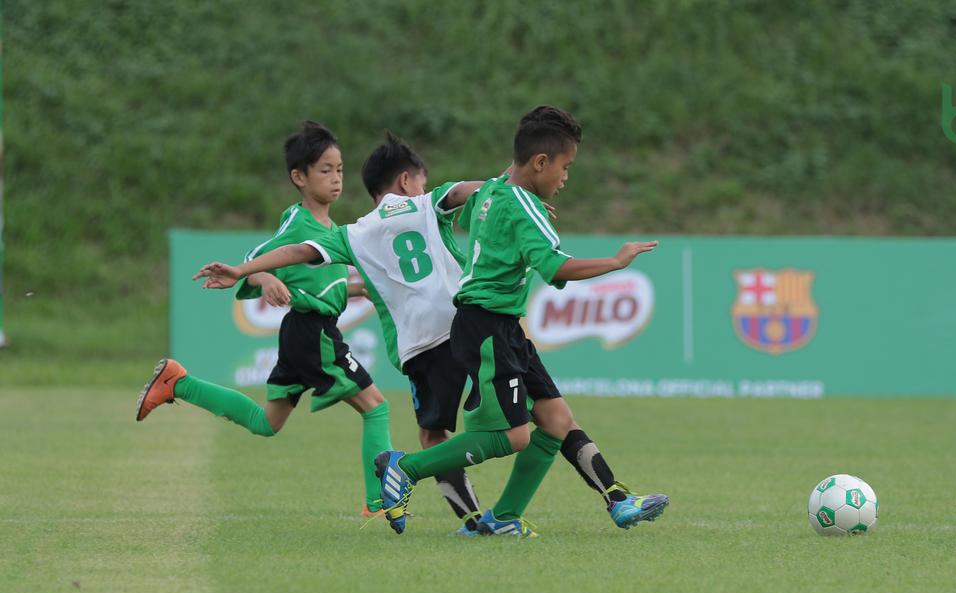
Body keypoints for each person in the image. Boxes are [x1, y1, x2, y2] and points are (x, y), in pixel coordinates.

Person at [196, 131, 668, 535]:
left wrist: (243, 270)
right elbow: (472, 189)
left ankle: (496, 515)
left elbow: (297, 252)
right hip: (469, 323)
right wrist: (515, 192)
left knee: (449, 430)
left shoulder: (354, 233)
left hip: (423, 343)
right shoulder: (427, 204)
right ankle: (496, 511)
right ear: (407, 181)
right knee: (519, 431)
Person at [375, 105, 662, 536]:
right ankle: (405, 468)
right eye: (565, 167)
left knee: (556, 421)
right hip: (486, 327)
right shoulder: (521, 205)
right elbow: (554, 267)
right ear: (541, 162)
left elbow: (470, 208)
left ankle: (512, 517)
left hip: (500, 325)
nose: (566, 178)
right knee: (514, 437)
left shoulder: (492, 191)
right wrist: (617, 261)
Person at [138, 121, 391, 516]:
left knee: (265, 423)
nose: (336, 178)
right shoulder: (297, 224)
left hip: (304, 333)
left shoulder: (335, 230)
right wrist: (265, 275)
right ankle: (380, 505)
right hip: (313, 334)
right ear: (299, 177)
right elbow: (252, 263)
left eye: (339, 169)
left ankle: (179, 383)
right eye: (325, 170)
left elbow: (329, 287)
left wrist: (368, 291)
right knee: (376, 406)